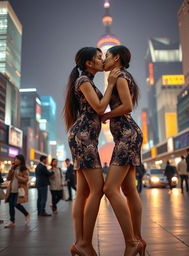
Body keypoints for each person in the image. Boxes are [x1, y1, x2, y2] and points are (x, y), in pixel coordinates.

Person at [63, 47, 121, 255]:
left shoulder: (86, 81)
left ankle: (79, 242)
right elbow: (99, 107)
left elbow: (98, 110)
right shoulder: (84, 82)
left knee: (83, 192)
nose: (101, 59)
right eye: (98, 57)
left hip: (85, 138)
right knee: (97, 189)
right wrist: (111, 84)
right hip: (84, 138)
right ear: (88, 63)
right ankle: (84, 243)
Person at [102, 45, 145, 255]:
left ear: (117, 58)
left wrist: (106, 116)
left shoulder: (119, 76)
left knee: (110, 189)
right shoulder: (121, 76)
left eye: (107, 56)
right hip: (128, 134)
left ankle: (132, 242)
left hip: (127, 135)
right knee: (129, 190)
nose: (104, 59)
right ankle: (138, 239)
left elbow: (127, 106)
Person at [5, 154, 30, 228]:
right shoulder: (14, 168)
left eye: (17, 159)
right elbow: (8, 178)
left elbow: (26, 179)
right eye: (15, 159)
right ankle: (12, 221)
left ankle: (26, 214)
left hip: (19, 190)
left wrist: (18, 176)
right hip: (12, 189)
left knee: (16, 204)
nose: (15, 160)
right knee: (11, 205)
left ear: (21, 160)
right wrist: (11, 169)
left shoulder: (24, 169)